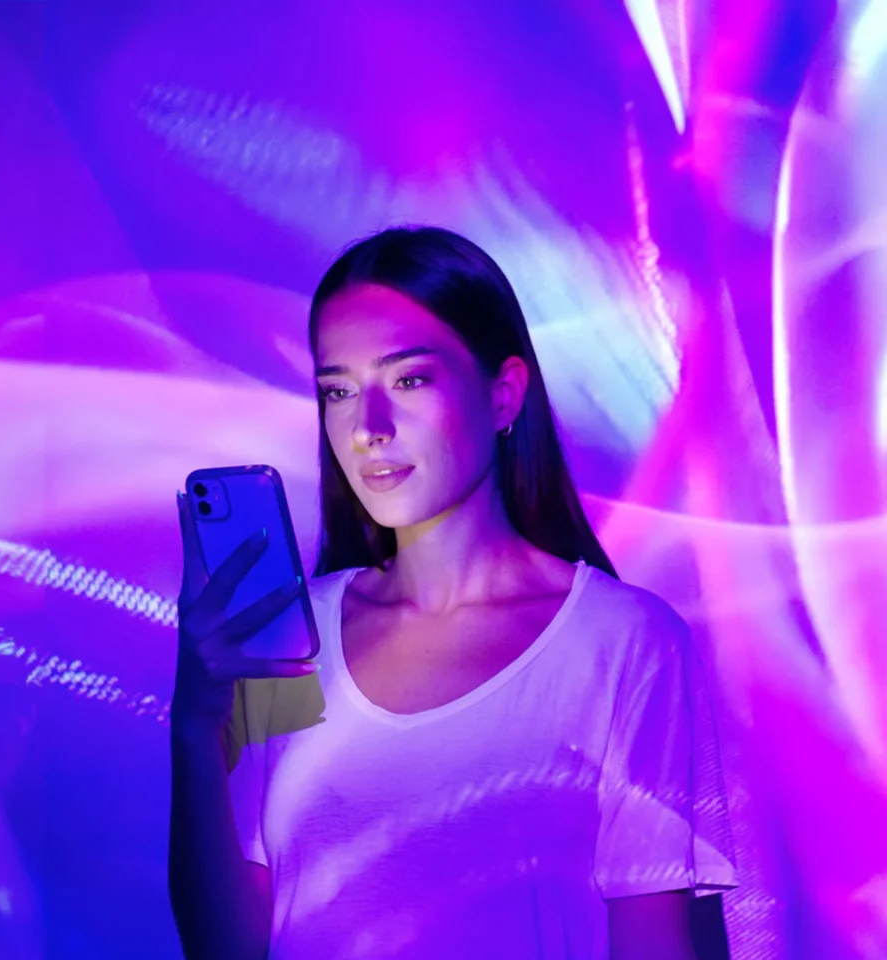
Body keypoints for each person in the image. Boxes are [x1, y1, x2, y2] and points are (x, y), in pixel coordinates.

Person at [167, 226, 735, 959]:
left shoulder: (623, 642)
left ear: (504, 396)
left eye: (408, 380)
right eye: (338, 390)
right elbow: (227, 950)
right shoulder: (287, 641)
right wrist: (192, 725)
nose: (369, 427)